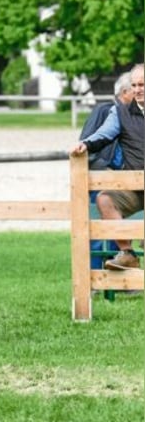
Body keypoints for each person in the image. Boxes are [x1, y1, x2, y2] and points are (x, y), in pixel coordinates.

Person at [69, 63, 145, 270]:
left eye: (142, 84)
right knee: (105, 199)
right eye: (135, 85)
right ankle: (127, 254)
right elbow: (104, 133)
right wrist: (86, 144)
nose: (138, 89)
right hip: (135, 188)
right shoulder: (120, 113)